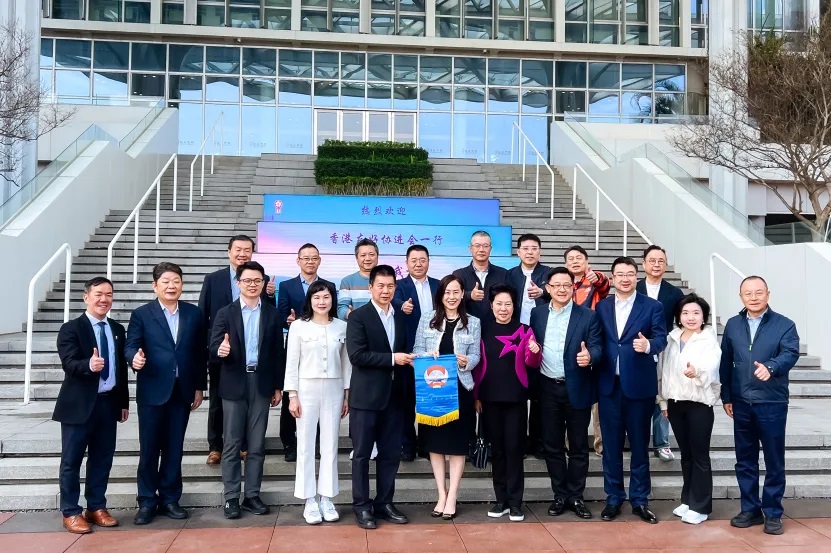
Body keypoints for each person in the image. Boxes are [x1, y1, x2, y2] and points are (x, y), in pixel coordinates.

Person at [127, 262, 207, 525]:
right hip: (152, 391)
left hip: (182, 391)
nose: (171, 286)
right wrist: (134, 358)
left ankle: (170, 499)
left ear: (182, 285)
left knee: (174, 448)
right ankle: (147, 501)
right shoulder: (142, 314)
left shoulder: (193, 314)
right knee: (149, 448)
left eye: (176, 281)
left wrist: (199, 386)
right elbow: (131, 345)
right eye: (166, 281)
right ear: (155, 285)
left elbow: (199, 354)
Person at [720, 276, 799, 536]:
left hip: (772, 402)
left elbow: (790, 353)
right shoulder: (733, 324)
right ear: (740, 296)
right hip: (742, 402)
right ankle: (750, 509)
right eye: (748, 293)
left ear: (768, 294)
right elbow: (726, 360)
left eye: (758, 292)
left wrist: (772, 367)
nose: (753, 297)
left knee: (774, 460)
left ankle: (773, 513)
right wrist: (727, 395)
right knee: (745, 460)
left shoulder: (784, 324)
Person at [53, 277, 130, 534]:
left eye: (109, 294)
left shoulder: (117, 329)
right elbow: (68, 363)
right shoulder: (71, 329)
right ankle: (70, 511)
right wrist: (88, 365)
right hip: (79, 406)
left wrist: (123, 402)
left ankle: (96, 506)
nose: (103, 299)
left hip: (108, 403)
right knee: (72, 460)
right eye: (98, 294)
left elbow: (120, 370)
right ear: (86, 297)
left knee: (102, 458)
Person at [210, 261, 285, 520]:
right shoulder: (225, 313)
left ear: (263, 283)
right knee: (231, 443)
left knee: (256, 444)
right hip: (234, 383)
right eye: (247, 280)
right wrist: (220, 350)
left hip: (261, 384)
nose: (252, 285)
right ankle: (231, 497)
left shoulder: (272, 314)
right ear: (238, 283)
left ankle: (252, 494)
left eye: (257, 281)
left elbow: (278, 353)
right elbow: (213, 346)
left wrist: (278, 385)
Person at [595, 257, 667, 524]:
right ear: (612, 278)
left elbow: (661, 338)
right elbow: (598, 340)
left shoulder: (652, 306)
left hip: (639, 387)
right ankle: (613, 498)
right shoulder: (602, 306)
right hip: (609, 387)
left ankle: (639, 500)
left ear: (636, 276)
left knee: (639, 447)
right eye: (620, 274)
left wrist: (649, 346)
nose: (625, 279)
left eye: (629, 274)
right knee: (611, 448)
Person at [530, 267, 602, 520]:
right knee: (552, 446)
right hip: (547, 388)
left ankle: (576, 496)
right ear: (548, 288)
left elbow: (597, 346)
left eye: (566, 285)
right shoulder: (537, 314)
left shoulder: (588, 315)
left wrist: (590, 356)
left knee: (579, 446)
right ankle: (560, 495)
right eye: (556, 285)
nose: (561, 289)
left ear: (573, 288)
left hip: (577, 387)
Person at [346, 265, 413, 530]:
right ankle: (362, 506)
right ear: (370, 287)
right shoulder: (358, 317)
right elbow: (357, 356)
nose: (386, 291)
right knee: (362, 455)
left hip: (395, 398)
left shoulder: (400, 316)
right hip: (366, 398)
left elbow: (404, 351)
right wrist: (393, 359)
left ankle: (384, 503)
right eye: (381, 286)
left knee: (390, 455)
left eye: (390, 286)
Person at [199, 235, 275, 465]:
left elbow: (267, 315)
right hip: (222, 352)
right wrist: (212, 348)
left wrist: (270, 295)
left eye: (247, 250)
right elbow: (203, 314)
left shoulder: (261, 279)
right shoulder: (213, 279)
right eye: (238, 249)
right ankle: (215, 446)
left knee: (247, 402)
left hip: (250, 353)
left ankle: (244, 445)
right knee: (217, 400)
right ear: (229, 252)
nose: (242, 254)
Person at [412, 275, 481, 519]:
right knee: (436, 444)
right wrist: (427, 355)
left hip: (460, 389)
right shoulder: (427, 319)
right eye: (447, 292)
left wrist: (465, 361)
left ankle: (453, 495)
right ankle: (441, 494)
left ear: (462, 294)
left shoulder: (473, 322)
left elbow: (476, 356)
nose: (451, 297)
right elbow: (416, 351)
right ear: (440, 295)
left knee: (457, 445)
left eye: (455, 292)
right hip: (433, 390)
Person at [473, 283, 542, 522]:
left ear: (515, 306)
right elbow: (477, 366)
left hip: (516, 399)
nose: (503, 308)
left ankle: (515, 503)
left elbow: (532, 363)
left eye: (508, 304)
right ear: (491, 306)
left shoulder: (525, 330)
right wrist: (476, 396)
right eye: (499, 304)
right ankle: (500, 500)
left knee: (514, 450)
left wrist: (535, 351)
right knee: (498, 451)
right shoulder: (482, 329)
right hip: (489, 399)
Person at [285, 281, 352, 525]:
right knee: (305, 444)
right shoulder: (298, 327)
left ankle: (327, 497)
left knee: (330, 444)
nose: (321, 302)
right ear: (310, 301)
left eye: (326, 297)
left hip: (334, 389)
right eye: (316, 297)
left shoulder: (342, 327)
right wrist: (292, 395)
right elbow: (291, 362)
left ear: (333, 299)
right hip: (306, 389)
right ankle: (309, 499)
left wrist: (346, 395)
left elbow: (346, 363)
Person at [657, 293, 721, 525]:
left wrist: (697, 372)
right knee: (686, 455)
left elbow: (712, 367)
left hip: (699, 403)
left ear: (704, 316)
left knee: (699, 455)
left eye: (696, 313)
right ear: (679, 316)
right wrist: (663, 402)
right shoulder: (671, 338)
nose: (690, 317)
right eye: (685, 313)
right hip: (675, 403)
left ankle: (701, 506)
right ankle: (688, 499)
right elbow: (663, 372)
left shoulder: (708, 340)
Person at [277, 243, 337, 462]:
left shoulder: (329, 286)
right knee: (291, 395)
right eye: (306, 258)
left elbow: (332, 313)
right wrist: (288, 320)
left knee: (320, 399)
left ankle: (318, 442)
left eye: (314, 258)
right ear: (298, 261)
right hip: (297, 340)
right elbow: (281, 313)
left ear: (319, 260)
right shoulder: (286, 285)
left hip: (322, 344)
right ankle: (289, 443)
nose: (310, 262)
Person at [392, 244, 440, 462]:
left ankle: (428, 446)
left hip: (434, 353)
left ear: (428, 262)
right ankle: (407, 446)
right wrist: (402, 306)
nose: (418, 264)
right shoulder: (399, 286)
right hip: (408, 353)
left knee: (429, 400)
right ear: (406, 263)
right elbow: (393, 301)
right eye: (414, 260)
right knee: (406, 402)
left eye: (423, 260)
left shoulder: (438, 285)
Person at [637, 245, 684, 463]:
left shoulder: (674, 293)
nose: (656, 265)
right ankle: (638, 441)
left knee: (663, 394)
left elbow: (682, 322)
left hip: (664, 349)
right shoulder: (634, 288)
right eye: (652, 261)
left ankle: (662, 443)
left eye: (661, 261)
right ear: (644, 264)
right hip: (636, 349)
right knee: (641, 395)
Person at [506, 233, 550, 458]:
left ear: (539, 251)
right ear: (518, 252)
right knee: (519, 392)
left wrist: (544, 292)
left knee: (540, 394)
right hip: (516, 337)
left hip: (542, 337)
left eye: (534, 248)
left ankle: (538, 443)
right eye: (525, 248)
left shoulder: (549, 273)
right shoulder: (510, 275)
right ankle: (520, 443)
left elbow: (563, 293)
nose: (530, 252)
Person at [564, 245, 609, 458]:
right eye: (571, 259)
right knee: (571, 400)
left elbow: (605, 283)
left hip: (594, 344)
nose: (575, 261)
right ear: (565, 264)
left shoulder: (594, 281)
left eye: (579, 258)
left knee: (599, 403)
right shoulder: (563, 284)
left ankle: (602, 445)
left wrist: (596, 276)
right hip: (570, 347)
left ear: (587, 261)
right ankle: (569, 445)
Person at [453, 230, 508, 322]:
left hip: (496, 326)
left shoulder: (503, 273)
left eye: (485, 246)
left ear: (490, 249)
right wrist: (469, 295)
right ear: (470, 248)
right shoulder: (458, 274)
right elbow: (452, 297)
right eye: (477, 246)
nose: (481, 250)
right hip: (467, 326)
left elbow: (510, 300)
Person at [338, 238, 379, 320]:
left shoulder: (387, 280)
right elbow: (341, 309)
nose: (367, 258)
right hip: (357, 325)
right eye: (363, 255)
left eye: (371, 254)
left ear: (377, 256)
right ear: (357, 258)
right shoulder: (347, 281)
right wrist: (351, 314)